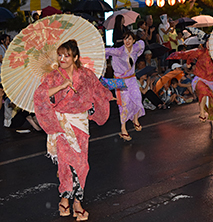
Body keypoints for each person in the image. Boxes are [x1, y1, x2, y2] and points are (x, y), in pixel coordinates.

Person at [33, 40, 113, 221]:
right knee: (68, 163)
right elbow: (40, 95)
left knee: (81, 164)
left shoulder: (85, 75)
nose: (62, 59)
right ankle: (77, 202)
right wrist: (61, 86)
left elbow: (98, 91)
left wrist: (106, 97)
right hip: (61, 125)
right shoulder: (53, 76)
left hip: (81, 125)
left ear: (75, 57)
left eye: (66, 56)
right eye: (60, 55)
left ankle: (64, 199)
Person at [166, 28, 213, 141]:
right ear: (205, 43)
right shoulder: (200, 52)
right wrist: (188, 63)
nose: (210, 44)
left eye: (212, 42)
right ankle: (201, 112)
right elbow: (188, 55)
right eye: (208, 42)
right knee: (203, 90)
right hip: (200, 79)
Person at [105, 31, 145, 141]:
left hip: (131, 78)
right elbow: (105, 51)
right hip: (119, 80)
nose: (127, 41)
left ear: (133, 40)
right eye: (125, 39)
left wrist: (139, 52)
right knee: (124, 104)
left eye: (129, 39)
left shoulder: (137, 47)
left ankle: (135, 120)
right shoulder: (118, 51)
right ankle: (123, 129)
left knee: (137, 97)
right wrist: (106, 57)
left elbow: (142, 44)